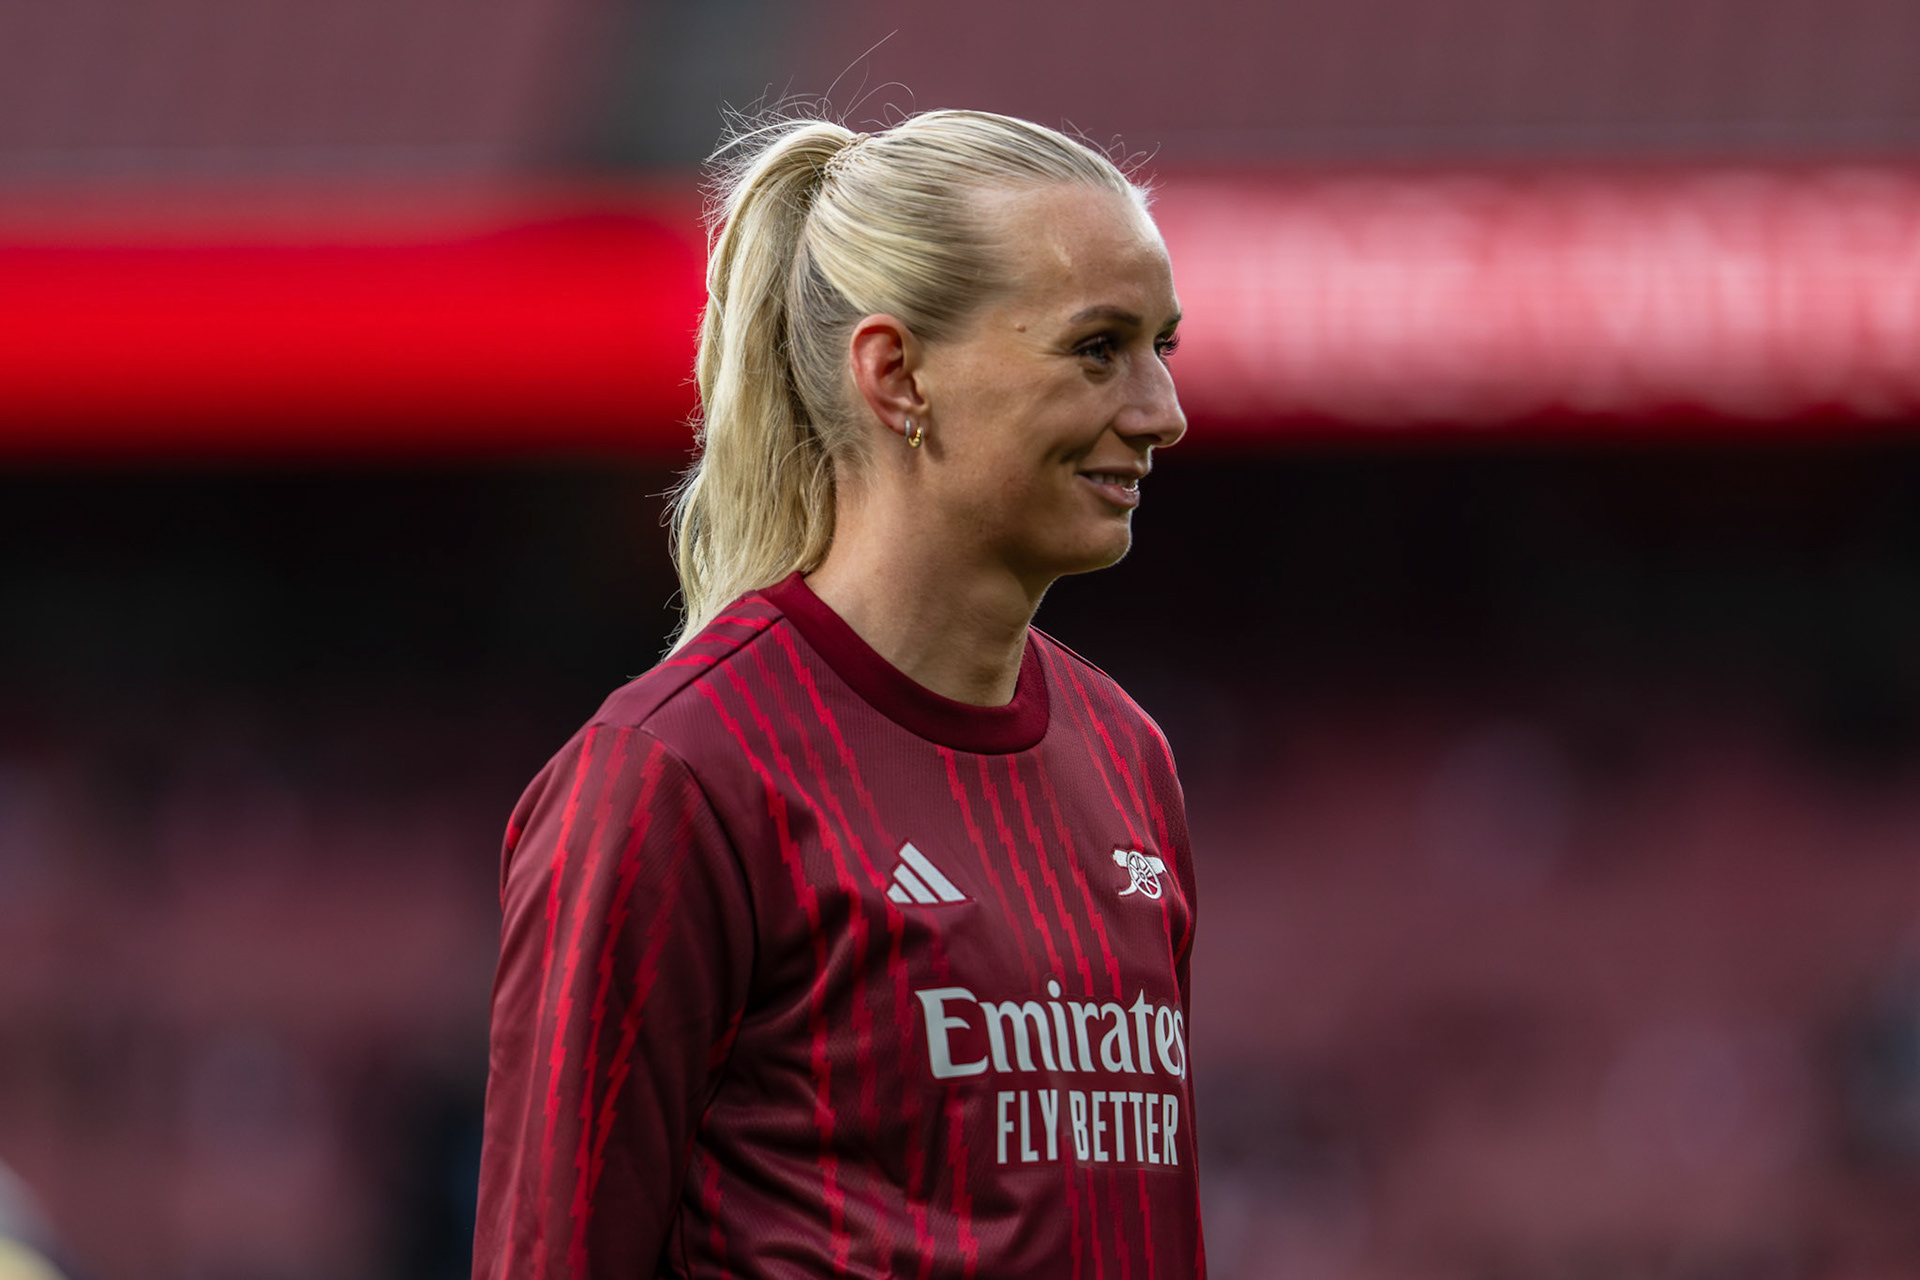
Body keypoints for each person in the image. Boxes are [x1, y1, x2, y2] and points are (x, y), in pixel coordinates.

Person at [472, 108, 1202, 1278]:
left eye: (1165, 345)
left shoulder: (1129, 757)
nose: (1161, 410)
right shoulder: (677, 772)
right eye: (1097, 348)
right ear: (895, 371)